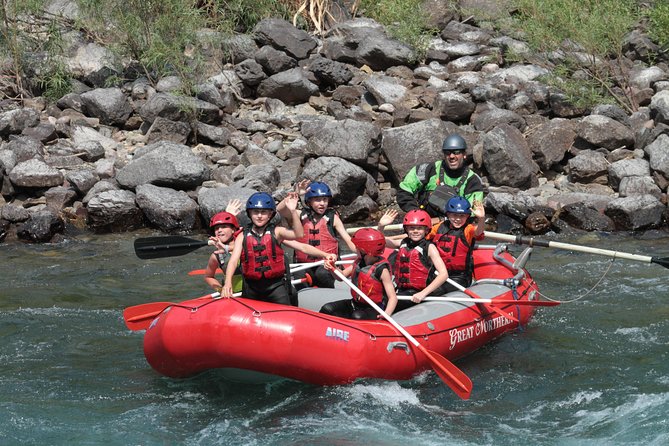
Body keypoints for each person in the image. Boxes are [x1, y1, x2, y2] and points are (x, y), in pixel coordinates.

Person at [221, 191, 334, 306]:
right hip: (251, 287)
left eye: (264, 212)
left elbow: (299, 235)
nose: (259, 216)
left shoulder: (277, 232)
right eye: (256, 212)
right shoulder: (242, 236)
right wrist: (227, 283)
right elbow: (233, 261)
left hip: (275, 287)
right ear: (249, 214)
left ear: (270, 215)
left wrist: (293, 211)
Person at [396, 133, 484, 218]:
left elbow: (473, 213)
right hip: (423, 225)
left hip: (456, 225)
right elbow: (404, 192)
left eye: (456, 152)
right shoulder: (428, 170)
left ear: (464, 155)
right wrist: (417, 214)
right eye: (447, 152)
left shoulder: (473, 181)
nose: (452, 156)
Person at [378, 209, 449, 311]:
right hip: (402, 290)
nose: (415, 231)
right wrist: (381, 226)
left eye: (419, 228)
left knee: (388, 304)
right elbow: (380, 241)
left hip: (419, 292)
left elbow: (443, 274)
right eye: (411, 228)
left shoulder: (429, 248)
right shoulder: (403, 243)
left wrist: (423, 293)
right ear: (406, 230)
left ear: (426, 230)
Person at [290, 180, 356, 289]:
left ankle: (328, 295)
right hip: (304, 263)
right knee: (299, 275)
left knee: (322, 274)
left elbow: (348, 240)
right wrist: (296, 194)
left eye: (325, 199)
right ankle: (302, 298)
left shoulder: (333, 218)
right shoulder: (299, 214)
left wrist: (361, 253)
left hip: (326, 263)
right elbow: (279, 210)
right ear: (309, 201)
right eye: (317, 200)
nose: (322, 203)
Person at [320, 228, 398, 320]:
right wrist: (332, 268)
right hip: (355, 304)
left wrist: (386, 314)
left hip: (374, 308)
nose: (355, 249)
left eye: (357, 248)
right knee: (328, 309)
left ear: (364, 250)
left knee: (357, 316)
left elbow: (393, 297)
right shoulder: (359, 262)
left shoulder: (381, 270)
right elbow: (342, 276)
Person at [428, 196, 486, 294]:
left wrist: (481, 219)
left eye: (462, 216)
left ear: (467, 216)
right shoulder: (439, 227)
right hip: (438, 273)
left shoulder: (468, 229)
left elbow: (478, 232)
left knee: (434, 292)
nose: (458, 219)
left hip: (459, 277)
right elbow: (421, 236)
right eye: (454, 215)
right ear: (448, 214)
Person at [204, 199, 244, 293]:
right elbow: (208, 277)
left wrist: (229, 214)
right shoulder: (216, 255)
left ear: (234, 230)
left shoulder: (244, 241)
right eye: (217, 228)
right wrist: (220, 289)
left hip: (253, 294)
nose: (219, 230)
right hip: (233, 296)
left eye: (224, 227)